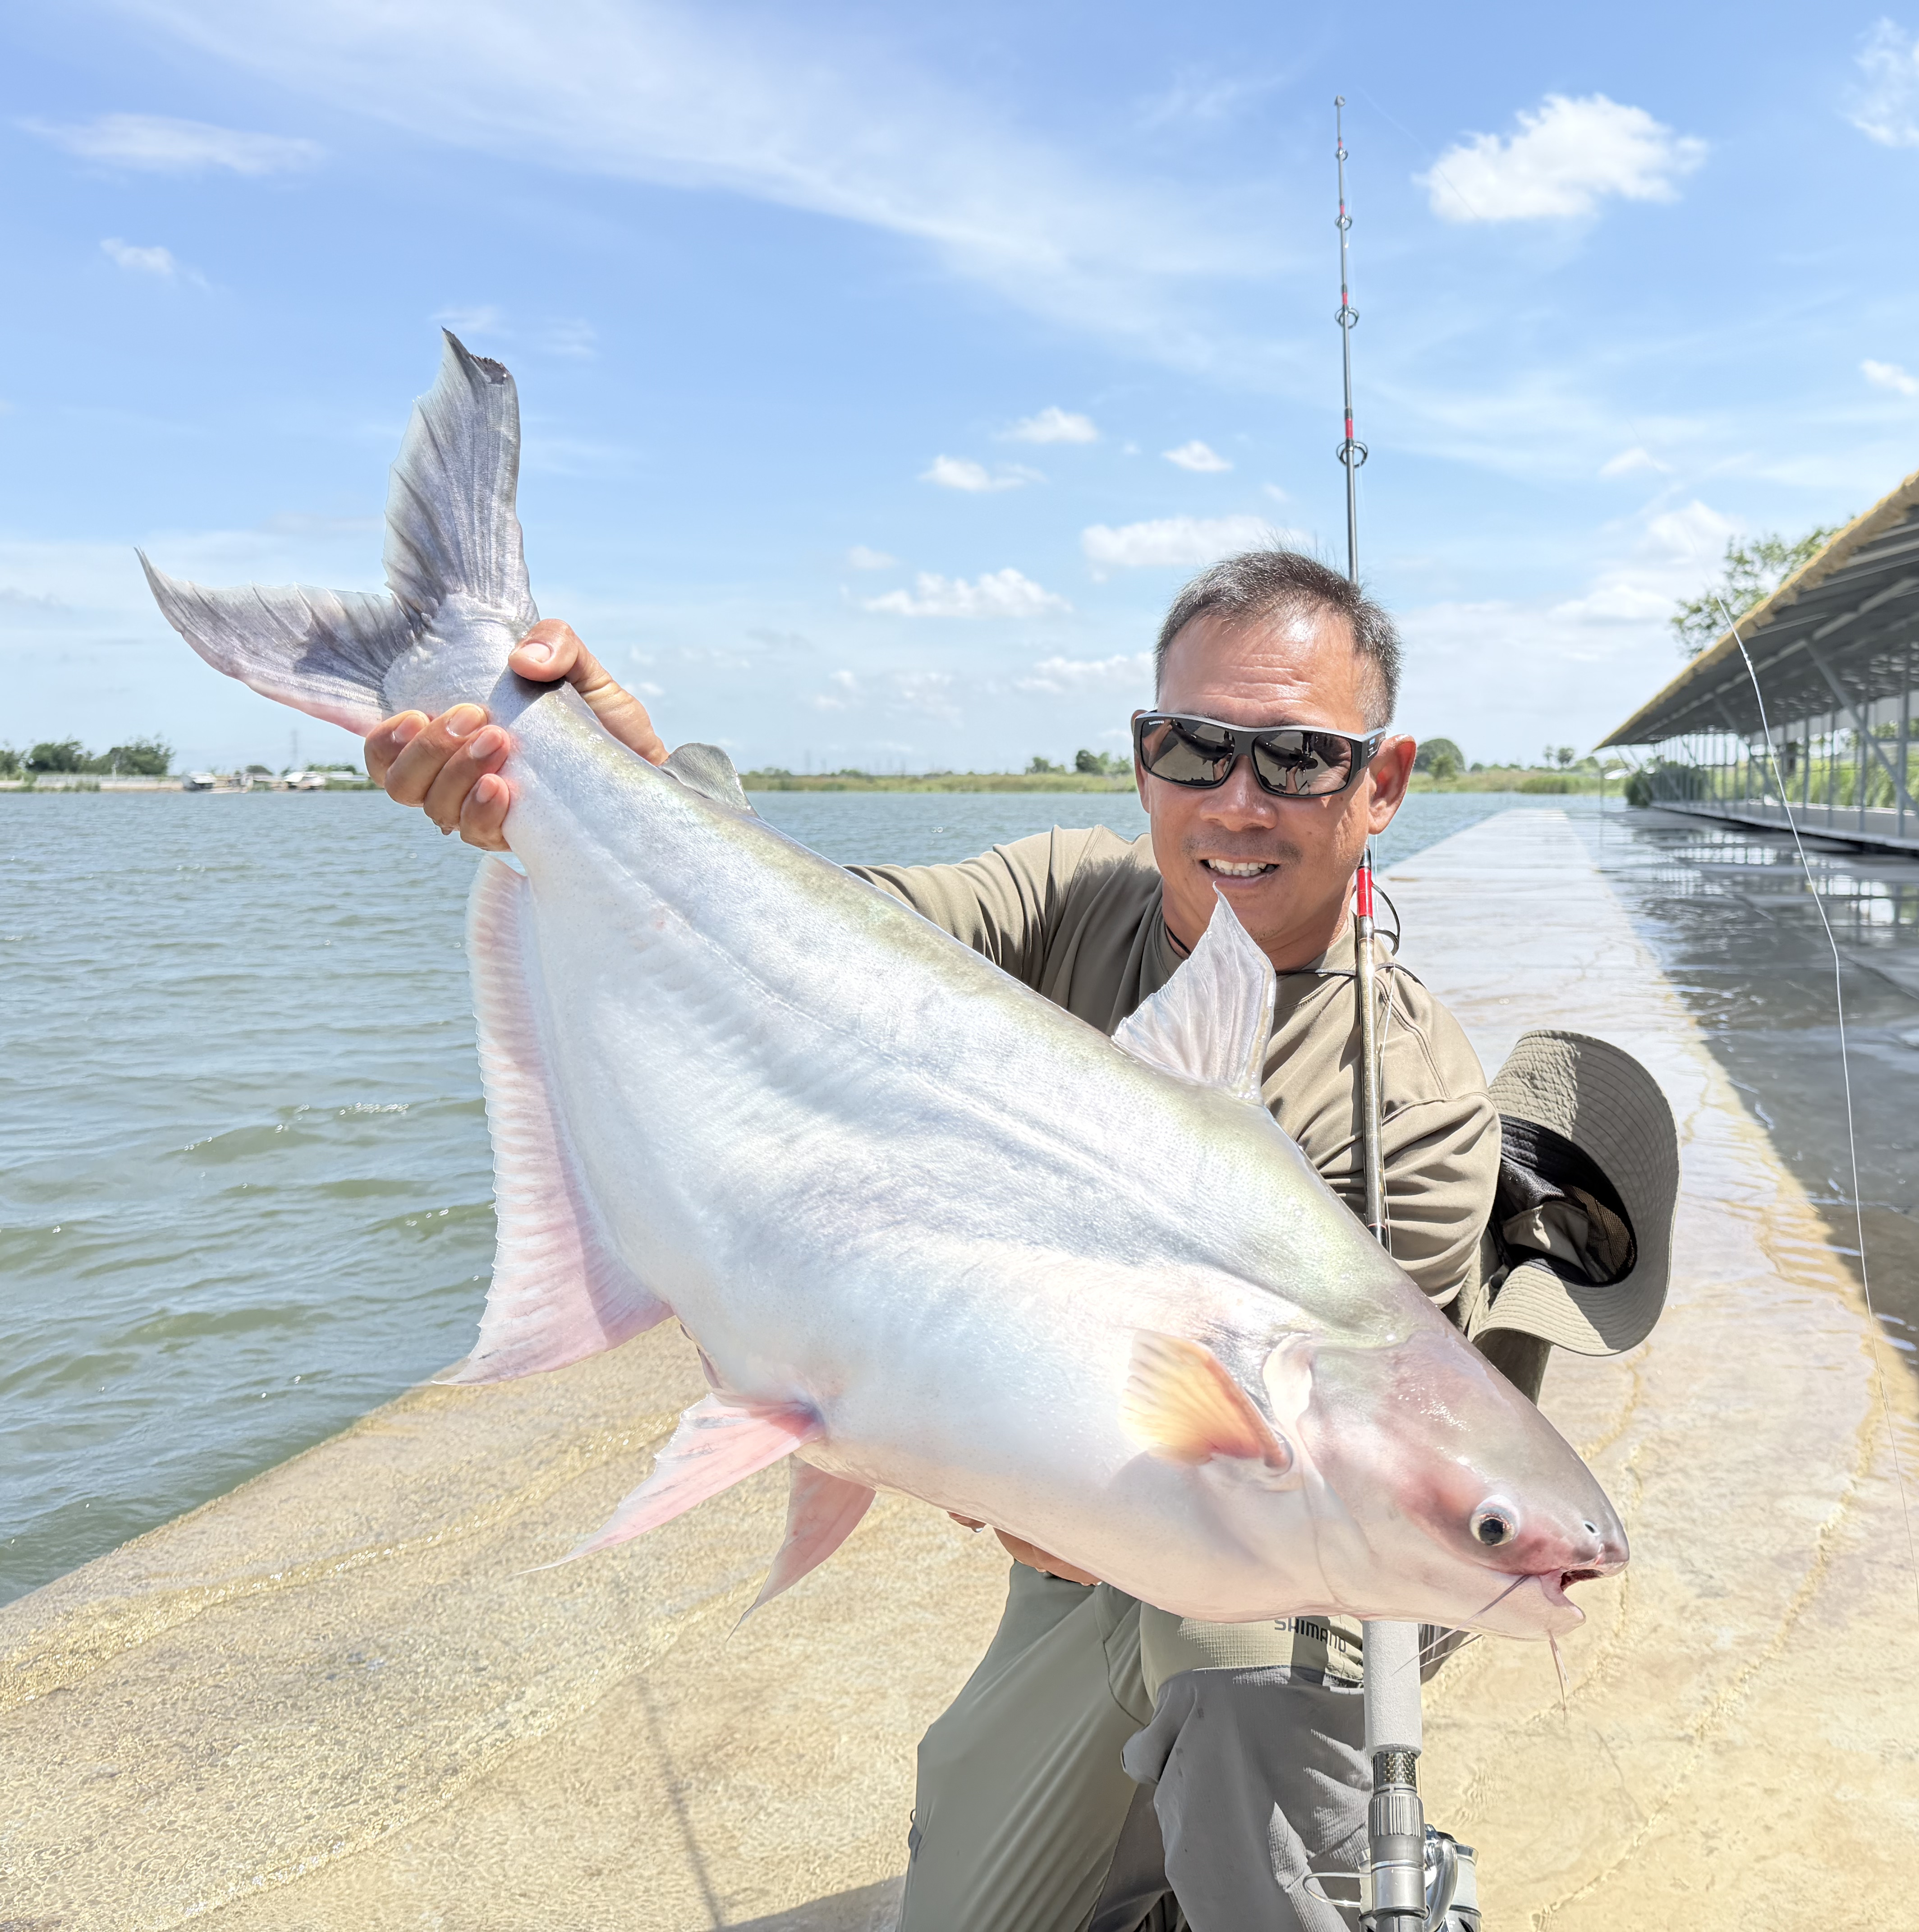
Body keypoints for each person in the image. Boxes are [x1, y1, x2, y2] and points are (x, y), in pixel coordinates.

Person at [365, 549, 1501, 1931]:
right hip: (1073, 1531)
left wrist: (913, 1415)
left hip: (1284, 1551)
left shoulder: (1415, 1103)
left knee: (1239, 1738)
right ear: (1143, 762)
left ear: (1381, 785)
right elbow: (810, 943)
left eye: (1300, 759)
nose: (1236, 799)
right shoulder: (1069, 895)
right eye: (1192, 746)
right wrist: (620, 782)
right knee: (973, 1906)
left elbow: (1312, 1468)